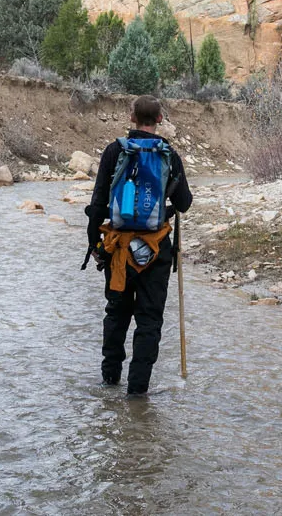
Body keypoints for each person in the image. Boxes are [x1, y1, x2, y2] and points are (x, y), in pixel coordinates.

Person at [84, 95, 192, 396]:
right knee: (149, 321)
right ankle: (137, 394)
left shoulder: (114, 151)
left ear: (131, 118)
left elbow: (97, 204)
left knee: (116, 314)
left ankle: (109, 381)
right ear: (160, 119)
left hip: (118, 251)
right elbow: (184, 202)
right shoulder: (168, 154)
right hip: (156, 251)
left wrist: (94, 244)